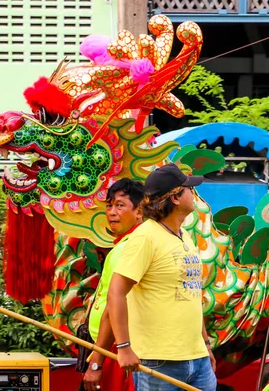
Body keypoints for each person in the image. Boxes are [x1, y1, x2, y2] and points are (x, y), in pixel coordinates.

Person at [108, 163, 217, 390]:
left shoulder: (185, 235)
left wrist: (205, 344)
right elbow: (116, 292)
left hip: (197, 359)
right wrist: (124, 347)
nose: (193, 193)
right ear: (176, 198)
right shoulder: (145, 237)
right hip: (158, 362)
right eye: (189, 189)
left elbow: (191, 294)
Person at [81, 178, 144, 391]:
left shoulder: (131, 248)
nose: (111, 213)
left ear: (139, 211)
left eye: (120, 205)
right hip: (110, 346)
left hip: (117, 349)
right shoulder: (124, 244)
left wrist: (97, 360)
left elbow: (114, 303)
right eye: (109, 206)